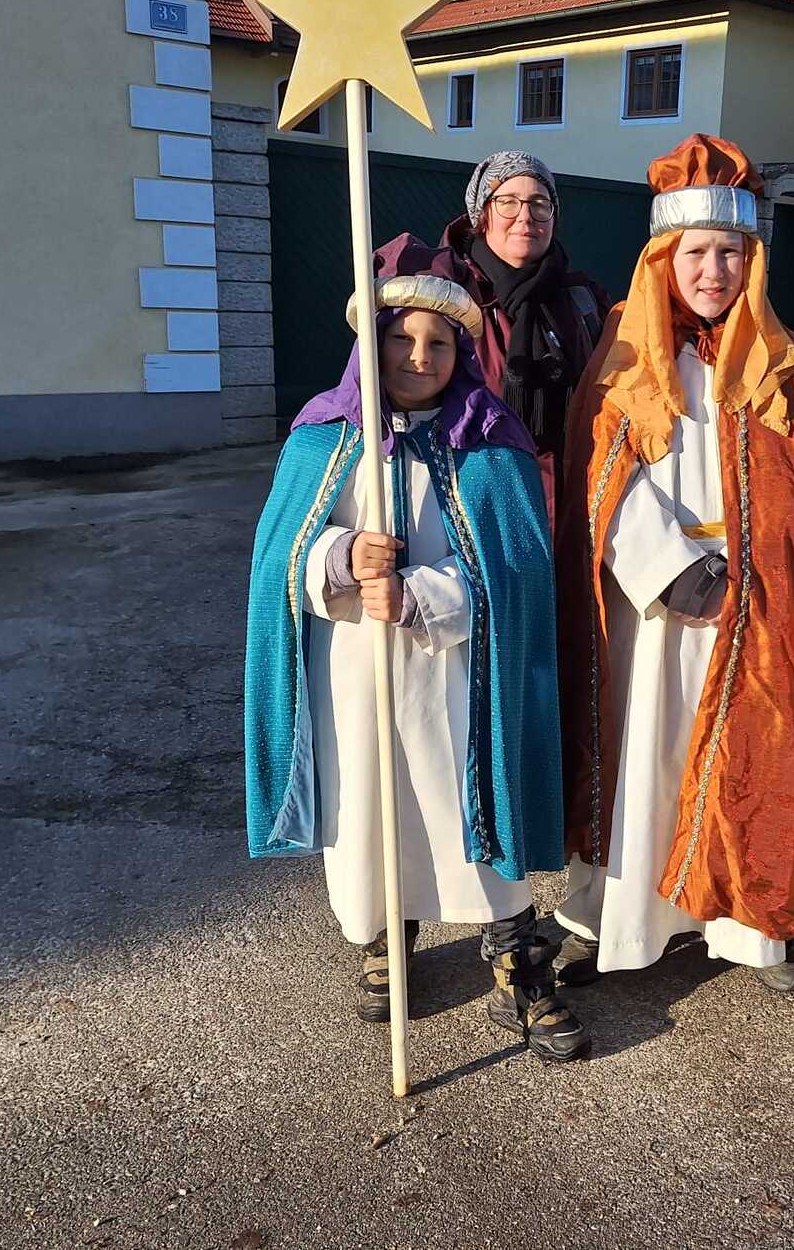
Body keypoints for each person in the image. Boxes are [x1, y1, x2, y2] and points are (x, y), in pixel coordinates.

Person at [244, 233, 588, 1062]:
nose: (419, 356)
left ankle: (515, 958)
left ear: (462, 352)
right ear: (371, 343)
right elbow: (276, 559)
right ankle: (385, 938)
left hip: (457, 676)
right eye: (401, 337)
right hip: (353, 673)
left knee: (468, 807)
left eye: (440, 342)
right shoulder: (322, 438)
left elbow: (520, 572)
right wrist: (338, 558)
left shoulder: (490, 441)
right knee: (371, 808)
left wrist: (428, 594)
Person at [551, 134, 794, 989]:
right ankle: (609, 914)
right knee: (640, 752)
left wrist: (758, 574)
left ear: (753, 262)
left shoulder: (786, 363)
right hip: (652, 601)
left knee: (749, 749)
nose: (713, 272)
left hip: (752, 599)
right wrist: (670, 567)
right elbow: (597, 474)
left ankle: (746, 926)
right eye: (696, 254)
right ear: (664, 260)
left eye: (730, 254)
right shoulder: (623, 355)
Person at [442, 152, 612, 509]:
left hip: (571, 505)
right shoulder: (451, 299)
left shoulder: (584, 301)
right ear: (482, 215)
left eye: (539, 203)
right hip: (478, 504)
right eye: (507, 202)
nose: (525, 216)